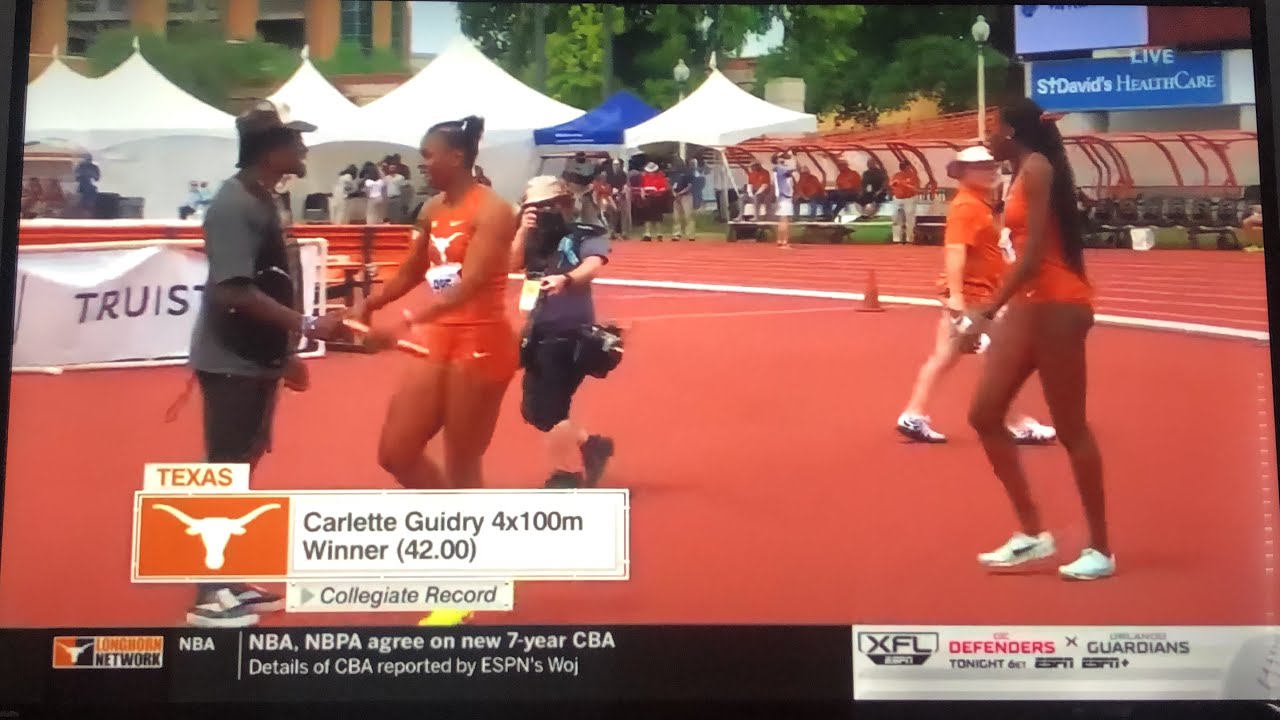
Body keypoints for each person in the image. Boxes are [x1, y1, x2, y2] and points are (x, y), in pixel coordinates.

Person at [186, 100, 343, 627]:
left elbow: (271, 278)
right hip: (231, 358)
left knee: (244, 461)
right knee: (226, 469)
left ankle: (226, 580)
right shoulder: (235, 207)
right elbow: (234, 291)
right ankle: (208, 595)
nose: (302, 148)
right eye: (293, 140)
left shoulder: (263, 199)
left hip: (255, 357)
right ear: (270, 150)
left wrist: (285, 357)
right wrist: (302, 326)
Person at [957, 98, 1112, 580]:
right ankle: (1031, 534)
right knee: (984, 413)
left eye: (993, 129)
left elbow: (1033, 255)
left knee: (1071, 429)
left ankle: (1102, 551)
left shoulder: (1039, 169)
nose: (987, 140)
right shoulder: (1022, 170)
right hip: (1029, 301)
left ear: (1012, 132)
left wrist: (985, 312)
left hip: (1058, 304)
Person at [356, 115, 519, 493]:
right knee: (396, 453)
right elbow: (411, 271)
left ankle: (467, 535)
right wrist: (369, 305)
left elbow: (470, 283)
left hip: (481, 342)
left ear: (456, 157)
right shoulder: (431, 210)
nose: (421, 164)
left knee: (461, 460)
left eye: (428, 156)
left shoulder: (493, 210)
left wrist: (402, 324)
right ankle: (447, 517)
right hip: (436, 337)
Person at [896, 146, 1056, 446]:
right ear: (964, 173)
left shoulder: (979, 204)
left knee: (945, 357)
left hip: (976, 293)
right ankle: (1015, 422)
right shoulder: (967, 207)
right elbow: (956, 249)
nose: (991, 170)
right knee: (1000, 362)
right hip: (974, 297)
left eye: (991, 165)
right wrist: (957, 296)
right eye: (981, 167)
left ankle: (913, 414)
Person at [511, 176, 617, 489]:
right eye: (533, 207)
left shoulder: (585, 232)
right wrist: (521, 230)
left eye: (546, 206)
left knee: (551, 407)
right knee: (535, 410)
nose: (540, 213)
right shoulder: (531, 238)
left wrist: (566, 279)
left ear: (564, 205)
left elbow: (594, 264)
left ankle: (566, 472)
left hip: (571, 332)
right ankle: (591, 446)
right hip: (537, 330)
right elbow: (512, 262)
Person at [890, 161, 921, 244]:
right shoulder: (897, 175)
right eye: (902, 166)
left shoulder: (913, 176)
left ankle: (909, 239)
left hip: (909, 199)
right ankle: (897, 239)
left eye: (905, 166)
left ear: (909, 167)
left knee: (909, 220)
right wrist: (895, 184)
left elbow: (916, 188)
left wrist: (905, 185)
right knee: (896, 219)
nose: (903, 168)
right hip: (897, 199)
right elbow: (891, 185)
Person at [638, 162, 669, 241]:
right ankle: (647, 234)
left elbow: (664, 188)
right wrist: (643, 194)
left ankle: (659, 234)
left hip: (657, 199)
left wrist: (658, 192)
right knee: (647, 217)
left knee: (658, 217)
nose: (650, 173)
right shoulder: (644, 177)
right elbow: (642, 187)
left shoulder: (660, 177)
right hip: (648, 198)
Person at [772, 152, 797, 249]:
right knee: (785, 221)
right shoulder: (780, 168)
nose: (783, 159)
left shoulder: (777, 169)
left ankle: (780, 240)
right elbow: (794, 168)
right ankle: (784, 242)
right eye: (781, 157)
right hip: (784, 197)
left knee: (782, 220)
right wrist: (792, 155)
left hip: (782, 197)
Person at [669, 159, 695, 241]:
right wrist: (674, 193)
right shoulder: (673, 174)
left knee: (688, 216)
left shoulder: (688, 172)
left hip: (686, 196)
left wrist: (680, 193)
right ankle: (677, 233)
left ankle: (690, 234)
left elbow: (690, 186)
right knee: (676, 216)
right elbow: (671, 184)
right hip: (676, 196)